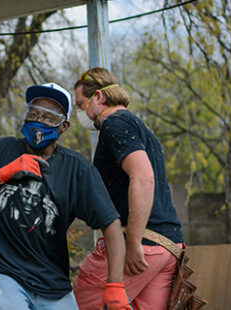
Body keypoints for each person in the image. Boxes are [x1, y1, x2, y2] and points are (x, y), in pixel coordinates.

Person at [0, 82, 132, 310]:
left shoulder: (76, 170)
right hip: (1, 270)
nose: (38, 121)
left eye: (49, 117)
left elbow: (111, 224)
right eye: (33, 113)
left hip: (51, 281)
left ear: (63, 126)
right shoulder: (0, 151)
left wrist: (115, 285)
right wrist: (3, 174)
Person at [73, 67, 184, 309]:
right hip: (169, 247)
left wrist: (132, 244)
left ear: (99, 97)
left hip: (141, 245)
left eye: (81, 104)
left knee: (73, 304)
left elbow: (144, 178)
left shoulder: (115, 123)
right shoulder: (141, 128)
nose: (80, 112)